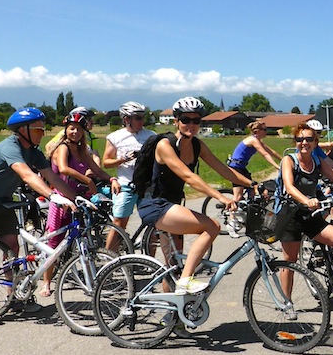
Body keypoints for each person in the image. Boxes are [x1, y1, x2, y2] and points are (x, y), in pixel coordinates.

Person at [0, 108, 80, 325]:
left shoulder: (33, 151)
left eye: (43, 129)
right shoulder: (10, 147)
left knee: (12, 249)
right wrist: (54, 198)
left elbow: (52, 177)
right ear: (23, 130)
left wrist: (77, 199)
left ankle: (13, 297)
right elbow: (26, 175)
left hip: (3, 202)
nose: (42, 133)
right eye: (38, 129)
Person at [136, 97, 253, 296]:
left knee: (173, 264)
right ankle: (186, 280)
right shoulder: (165, 145)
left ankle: (173, 316)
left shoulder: (197, 145)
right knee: (212, 226)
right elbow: (188, 176)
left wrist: (253, 185)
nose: (191, 124)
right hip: (155, 205)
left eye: (196, 120)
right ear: (176, 121)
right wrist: (221, 197)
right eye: (185, 119)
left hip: (171, 206)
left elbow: (223, 169)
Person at [277, 123, 333, 319]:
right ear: (295, 142)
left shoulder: (316, 159)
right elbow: (289, 187)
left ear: (315, 142)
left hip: (311, 214)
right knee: (289, 261)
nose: (304, 143)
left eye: (308, 139)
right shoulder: (289, 161)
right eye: (299, 139)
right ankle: (287, 302)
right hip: (290, 215)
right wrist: (306, 200)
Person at [41, 112, 115, 296]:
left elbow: (97, 169)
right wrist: (88, 181)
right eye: (72, 128)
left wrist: (111, 178)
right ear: (66, 130)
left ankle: (84, 274)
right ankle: (46, 282)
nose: (75, 132)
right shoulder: (63, 147)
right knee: (54, 241)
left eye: (79, 129)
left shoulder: (82, 150)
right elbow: (64, 168)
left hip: (79, 199)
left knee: (83, 238)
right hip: (62, 199)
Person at [101, 101, 156, 251]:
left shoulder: (151, 136)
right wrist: (122, 159)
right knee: (119, 222)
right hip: (126, 185)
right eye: (137, 118)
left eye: (143, 117)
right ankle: (109, 261)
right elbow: (106, 162)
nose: (141, 121)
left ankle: (150, 262)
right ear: (126, 119)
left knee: (153, 223)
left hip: (147, 186)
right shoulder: (115, 137)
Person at [227, 120, 283, 211]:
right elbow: (265, 154)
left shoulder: (258, 141)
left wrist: (284, 160)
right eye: (265, 129)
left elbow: (272, 152)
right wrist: (277, 167)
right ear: (258, 131)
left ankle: (248, 213)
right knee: (238, 196)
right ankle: (232, 220)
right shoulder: (253, 140)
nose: (266, 131)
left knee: (252, 190)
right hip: (236, 168)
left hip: (241, 168)